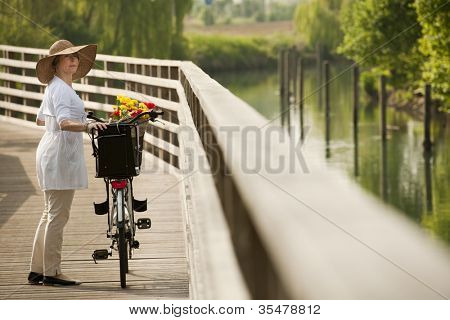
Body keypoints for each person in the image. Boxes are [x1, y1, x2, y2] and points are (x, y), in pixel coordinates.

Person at [28, 39, 107, 286]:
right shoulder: (61, 89)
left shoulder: (56, 86)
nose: (73, 60)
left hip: (50, 151)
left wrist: (81, 116)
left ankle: (37, 270)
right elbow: (62, 123)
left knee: (49, 213)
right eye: (67, 57)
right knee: (58, 215)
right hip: (59, 155)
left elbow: (42, 120)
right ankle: (52, 272)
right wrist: (87, 125)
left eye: (75, 57)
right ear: (56, 63)